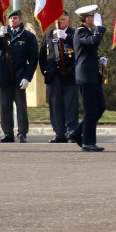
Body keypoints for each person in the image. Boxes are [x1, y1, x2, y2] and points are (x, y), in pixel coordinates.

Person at [0, 9, 38, 143]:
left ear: (21, 20)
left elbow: (33, 59)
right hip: (4, 76)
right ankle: (8, 133)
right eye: (11, 19)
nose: (12, 20)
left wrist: (27, 77)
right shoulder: (4, 34)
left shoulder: (28, 37)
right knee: (5, 106)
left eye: (15, 18)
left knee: (21, 106)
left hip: (19, 76)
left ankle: (22, 133)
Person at [68, 5, 107, 152]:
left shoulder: (86, 32)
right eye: (92, 17)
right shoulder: (80, 32)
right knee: (91, 110)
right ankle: (87, 142)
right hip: (85, 77)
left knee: (100, 107)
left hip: (92, 75)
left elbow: (88, 51)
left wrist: (99, 60)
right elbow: (94, 41)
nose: (94, 19)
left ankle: (77, 132)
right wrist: (100, 27)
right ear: (87, 18)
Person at [38, 11, 78, 143]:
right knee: (55, 106)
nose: (59, 22)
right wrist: (45, 70)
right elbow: (43, 55)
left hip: (70, 74)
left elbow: (80, 50)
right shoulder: (49, 34)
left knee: (70, 105)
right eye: (57, 20)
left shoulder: (74, 33)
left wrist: (67, 37)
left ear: (69, 21)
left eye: (63, 19)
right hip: (54, 75)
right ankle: (59, 133)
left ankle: (71, 132)